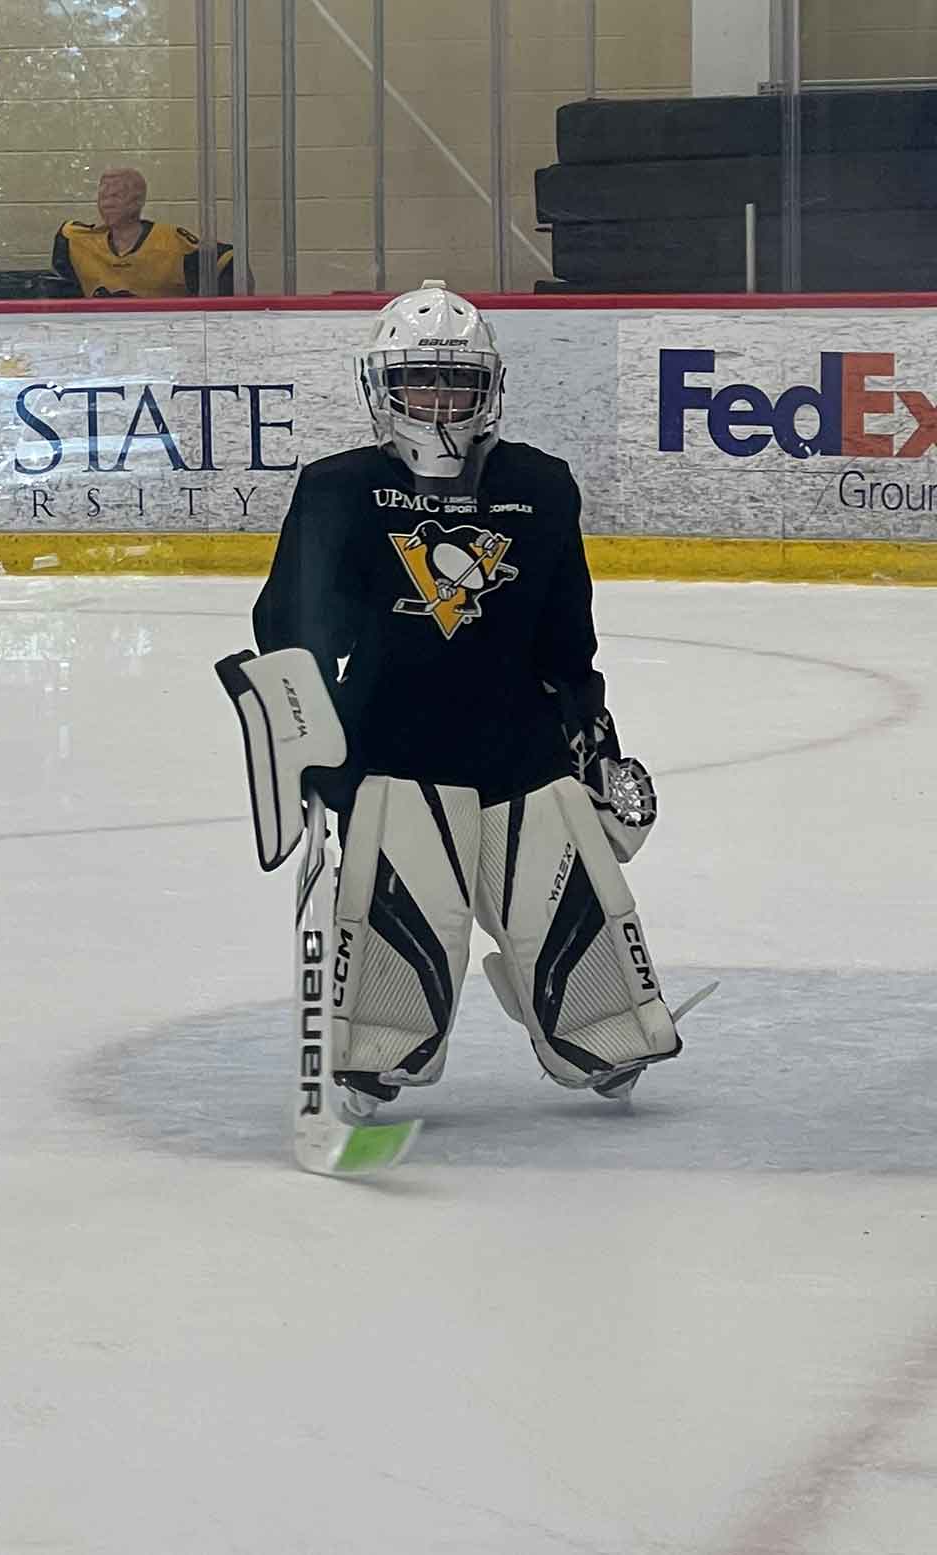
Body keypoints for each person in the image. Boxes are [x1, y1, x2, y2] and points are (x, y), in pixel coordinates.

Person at [248, 279, 682, 1118]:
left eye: (455, 381)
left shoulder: (543, 487)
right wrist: (317, 754)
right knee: (389, 996)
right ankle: (378, 1045)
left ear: (488, 388)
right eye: (419, 381)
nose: (438, 401)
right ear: (384, 386)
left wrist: (594, 740)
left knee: (599, 991)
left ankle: (594, 1025)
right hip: (393, 756)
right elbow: (291, 633)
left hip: (524, 755)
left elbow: (568, 642)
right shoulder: (338, 491)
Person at [52, 167, 236, 299]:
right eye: (103, 197)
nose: (106, 204)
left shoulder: (172, 243)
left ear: (137, 202)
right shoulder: (77, 240)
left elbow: (227, 260)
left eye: (116, 196)